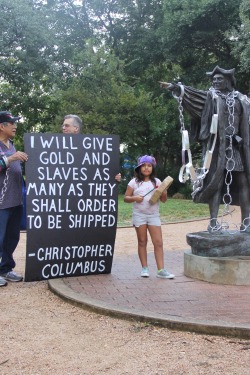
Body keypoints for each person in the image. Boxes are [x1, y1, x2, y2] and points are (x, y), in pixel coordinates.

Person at [161, 66, 250, 232]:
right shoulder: (211, 97)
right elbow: (193, 96)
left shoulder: (242, 100)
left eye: (219, 79)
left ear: (229, 81)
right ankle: (214, 222)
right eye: (214, 79)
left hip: (237, 148)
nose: (215, 82)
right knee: (214, 182)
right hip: (216, 149)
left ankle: (246, 222)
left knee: (243, 181)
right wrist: (178, 89)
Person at [124, 155, 174, 279]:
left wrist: (164, 192)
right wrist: (135, 198)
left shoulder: (157, 182)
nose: (146, 168)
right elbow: (126, 198)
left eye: (149, 166)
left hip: (153, 215)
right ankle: (144, 268)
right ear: (139, 168)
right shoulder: (134, 182)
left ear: (153, 168)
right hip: (139, 215)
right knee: (142, 242)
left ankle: (161, 270)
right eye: (144, 166)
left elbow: (163, 200)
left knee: (158, 242)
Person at [0, 111, 28, 286]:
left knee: (12, 237)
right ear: (1, 126)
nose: (15, 126)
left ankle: (6, 268)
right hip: (1, 202)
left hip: (16, 200)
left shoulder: (11, 144)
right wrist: (11, 158)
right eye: (11, 123)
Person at [61, 114, 121, 182]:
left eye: (67, 125)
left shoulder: (92, 147)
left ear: (76, 128)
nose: (63, 128)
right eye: (63, 125)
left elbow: (100, 170)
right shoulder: (55, 146)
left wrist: (114, 177)